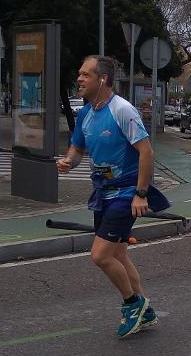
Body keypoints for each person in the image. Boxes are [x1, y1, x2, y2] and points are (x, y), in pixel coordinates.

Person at [56, 55, 167, 338]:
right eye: (79, 74)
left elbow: (146, 151)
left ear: (102, 79)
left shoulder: (122, 110)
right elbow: (77, 150)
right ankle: (147, 311)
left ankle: (132, 304)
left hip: (126, 192)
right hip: (103, 192)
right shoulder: (85, 113)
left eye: (85, 75)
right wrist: (69, 161)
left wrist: (141, 194)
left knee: (100, 255)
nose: (79, 79)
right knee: (118, 253)